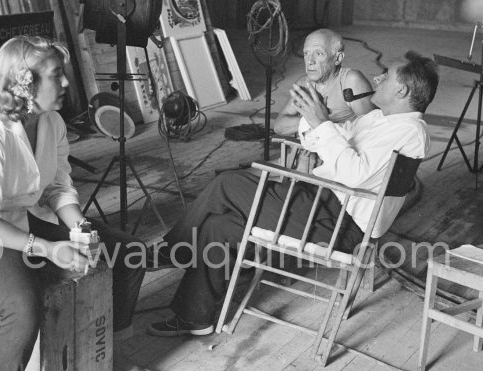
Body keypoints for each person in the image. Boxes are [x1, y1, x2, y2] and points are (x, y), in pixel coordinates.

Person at [146, 51, 439, 337]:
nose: (378, 76)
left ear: (401, 90)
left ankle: (171, 251)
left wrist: (322, 123)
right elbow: (330, 139)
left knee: (227, 184)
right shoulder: (380, 120)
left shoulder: (410, 131)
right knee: (217, 226)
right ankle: (194, 317)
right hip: (318, 203)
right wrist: (313, 119)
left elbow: (354, 173)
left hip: (338, 222)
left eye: (386, 76)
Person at [0, 36, 159, 371]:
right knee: (21, 306)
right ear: (25, 83)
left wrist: (79, 226)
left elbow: (57, 187)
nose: (68, 83)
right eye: (57, 75)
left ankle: (110, 356)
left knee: (128, 254)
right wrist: (48, 248)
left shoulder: (51, 120)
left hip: (20, 216)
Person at [274, 28, 374, 138]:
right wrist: (312, 120)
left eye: (319, 53)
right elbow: (279, 126)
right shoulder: (304, 83)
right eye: (306, 53)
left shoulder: (351, 81)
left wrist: (320, 124)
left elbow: (372, 131)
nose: (310, 61)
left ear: (338, 58)